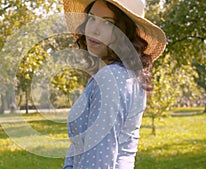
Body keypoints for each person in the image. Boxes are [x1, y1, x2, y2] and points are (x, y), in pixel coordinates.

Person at [62, 0, 166, 168]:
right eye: (92, 18)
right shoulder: (122, 75)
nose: (94, 30)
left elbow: (98, 161)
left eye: (108, 23)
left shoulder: (111, 77)